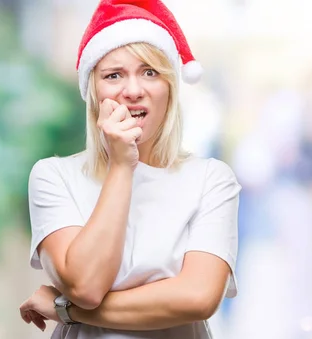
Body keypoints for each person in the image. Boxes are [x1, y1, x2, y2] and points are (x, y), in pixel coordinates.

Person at [18, 0, 241, 338]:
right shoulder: (53, 177)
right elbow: (87, 286)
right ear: (93, 91)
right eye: (113, 75)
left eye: (150, 72)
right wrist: (122, 165)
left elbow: (198, 298)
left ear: (169, 87)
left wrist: (66, 309)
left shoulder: (211, 179)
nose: (133, 91)